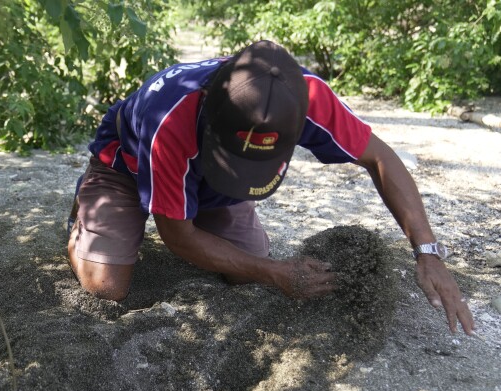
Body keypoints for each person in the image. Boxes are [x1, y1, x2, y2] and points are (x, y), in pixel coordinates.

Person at [67, 40, 474, 335]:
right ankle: (87, 208)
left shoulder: (307, 95)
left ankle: (223, 190)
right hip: (126, 165)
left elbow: (382, 159)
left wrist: (427, 252)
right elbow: (178, 235)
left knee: (246, 277)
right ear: (209, 109)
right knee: (105, 288)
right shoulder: (170, 118)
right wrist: (274, 271)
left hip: (213, 182)